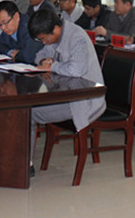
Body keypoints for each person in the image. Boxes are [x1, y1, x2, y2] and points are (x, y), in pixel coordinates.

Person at [28, 10, 106, 170]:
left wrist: (52, 66)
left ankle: (25, 164)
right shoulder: (54, 36)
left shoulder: (77, 38)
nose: (43, 43)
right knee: (25, 109)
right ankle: (22, 159)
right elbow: (40, 55)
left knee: (28, 113)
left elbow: (76, 70)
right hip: (65, 95)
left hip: (85, 101)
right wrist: (43, 61)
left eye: (43, 38)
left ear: (56, 29)